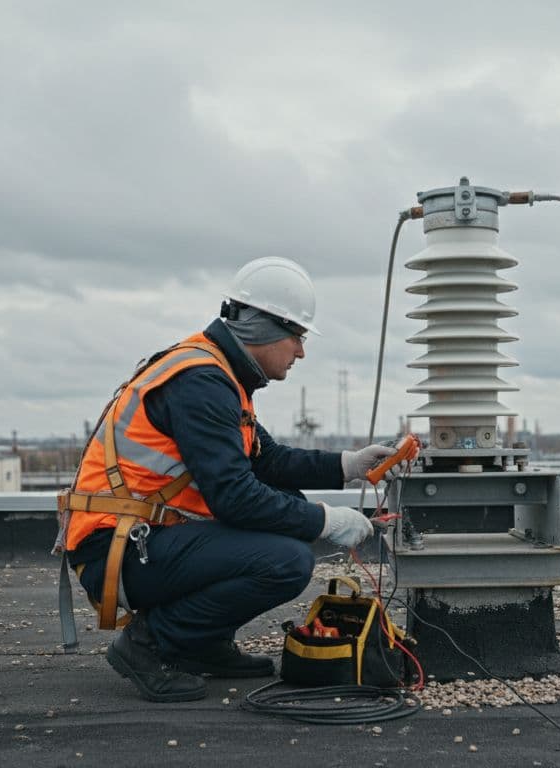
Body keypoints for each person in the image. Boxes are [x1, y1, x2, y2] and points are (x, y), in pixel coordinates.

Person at [63, 256, 397, 702]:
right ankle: (149, 643)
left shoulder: (219, 374)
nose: (301, 351)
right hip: (117, 552)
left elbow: (269, 461)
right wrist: (328, 521)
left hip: (143, 541)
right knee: (285, 560)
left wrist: (348, 465)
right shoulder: (202, 382)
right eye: (297, 336)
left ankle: (201, 644)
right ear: (263, 328)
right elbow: (235, 498)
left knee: (287, 506)